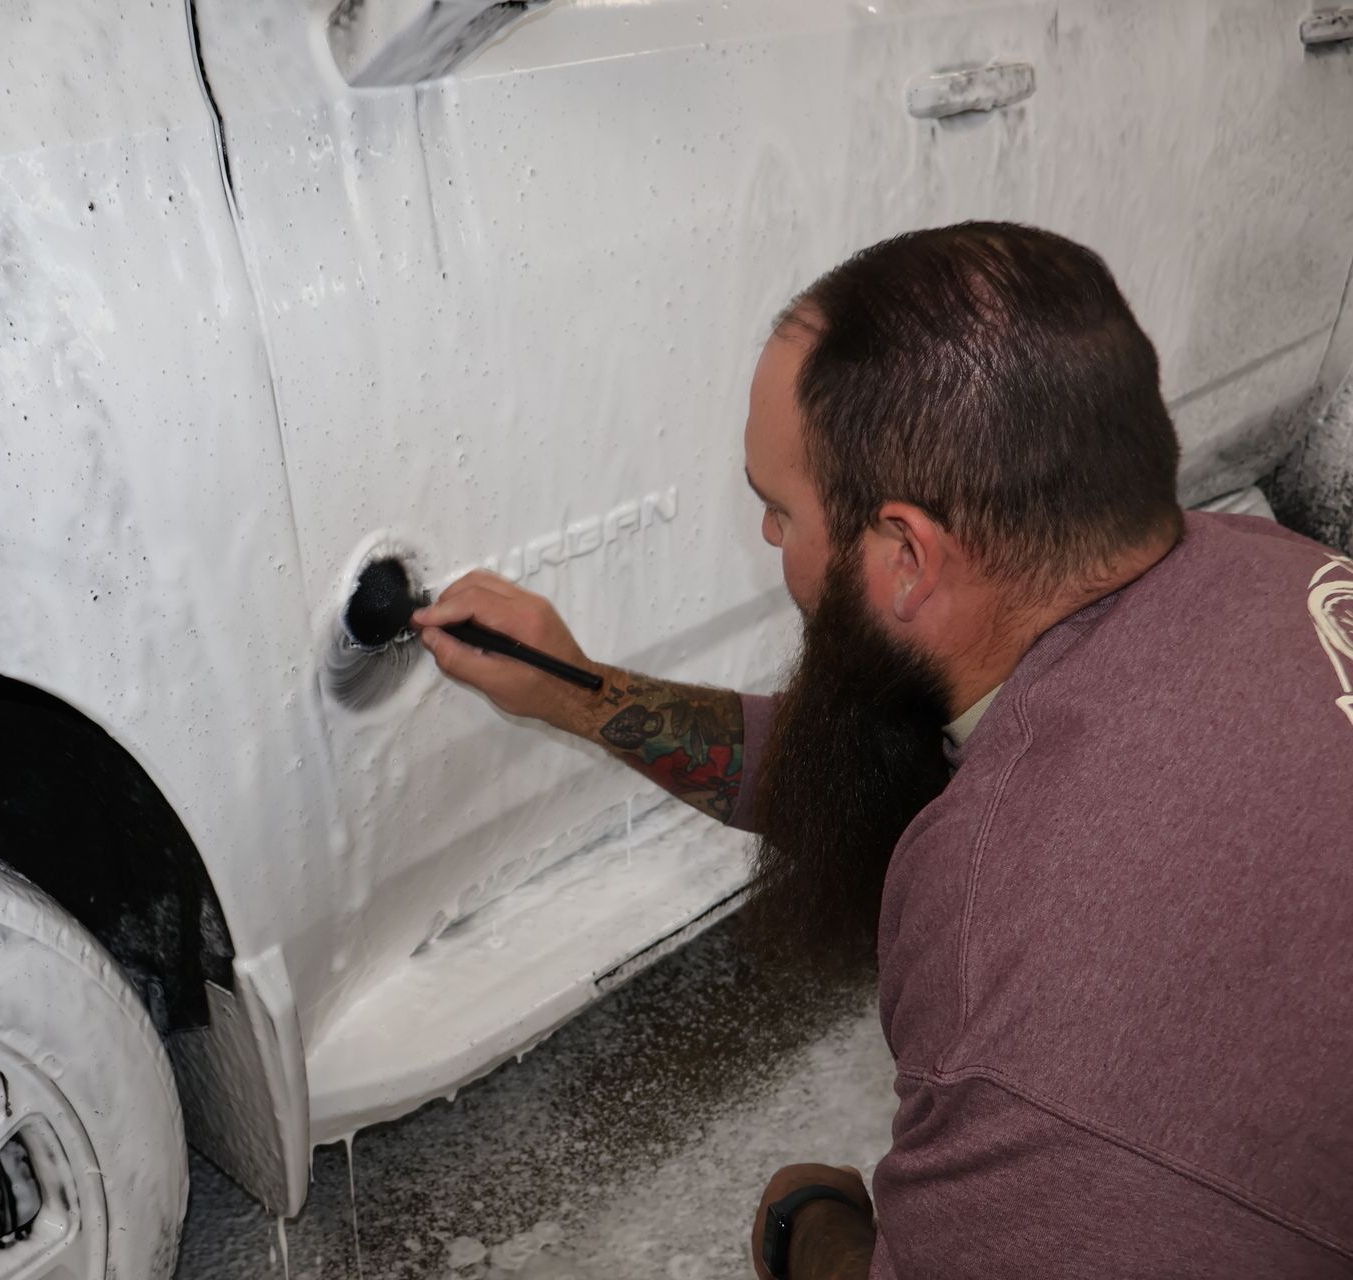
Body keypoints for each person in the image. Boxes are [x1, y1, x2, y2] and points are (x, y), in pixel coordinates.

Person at [411, 223, 1353, 1279]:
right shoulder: (1265, 571)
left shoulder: (1019, 969)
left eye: (779, 510)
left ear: (906, 556)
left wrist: (815, 1228)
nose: (769, 538)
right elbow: (851, 772)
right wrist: (578, 691)